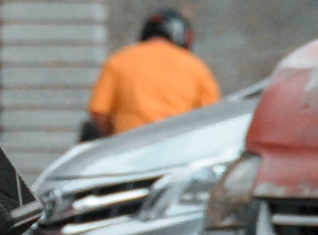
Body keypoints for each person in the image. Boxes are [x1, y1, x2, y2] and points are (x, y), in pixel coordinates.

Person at [85, 8, 219, 138]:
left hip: (129, 148)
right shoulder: (196, 67)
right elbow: (211, 117)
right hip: (177, 148)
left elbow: (99, 111)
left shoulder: (118, 60)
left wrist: (111, 139)